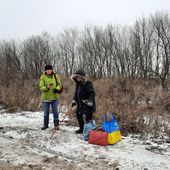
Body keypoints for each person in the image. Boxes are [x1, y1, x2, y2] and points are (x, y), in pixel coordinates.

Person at [39, 64, 62, 130]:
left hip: (55, 97)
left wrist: (57, 89)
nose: (49, 71)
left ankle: (56, 125)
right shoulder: (43, 77)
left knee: (55, 112)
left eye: (50, 69)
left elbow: (60, 84)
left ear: (52, 70)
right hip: (46, 98)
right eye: (47, 70)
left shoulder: (55, 76)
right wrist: (47, 87)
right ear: (45, 71)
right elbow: (41, 87)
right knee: (46, 113)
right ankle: (45, 125)